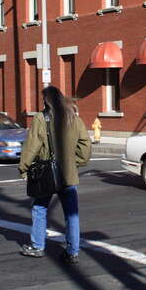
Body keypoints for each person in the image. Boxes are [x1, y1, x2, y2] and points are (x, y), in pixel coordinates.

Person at [18, 86, 91, 263]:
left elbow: (32, 146)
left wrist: (24, 167)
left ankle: (37, 246)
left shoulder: (41, 118)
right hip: (69, 173)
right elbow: (85, 146)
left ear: (46, 101)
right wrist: (77, 163)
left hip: (47, 174)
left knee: (39, 208)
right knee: (71, 214)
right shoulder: (73, 117)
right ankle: (73, 252)